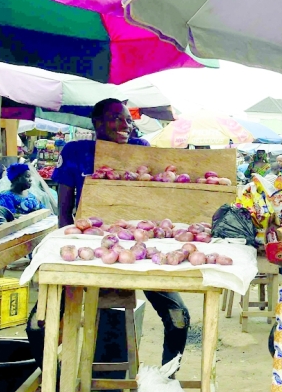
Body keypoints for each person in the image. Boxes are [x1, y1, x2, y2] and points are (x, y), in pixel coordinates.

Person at [48, 98, 192, 367]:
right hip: (92, 249)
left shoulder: (141, 149)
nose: (125, 125)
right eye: (116, 118)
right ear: (97, 122)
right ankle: (54, 381)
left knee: (178, 316)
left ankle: (165, 381)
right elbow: (65, 212)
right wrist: (73, 252)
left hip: (140, 252)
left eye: (128, 119)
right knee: (41, 321)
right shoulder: (76, 151)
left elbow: (155, 205)